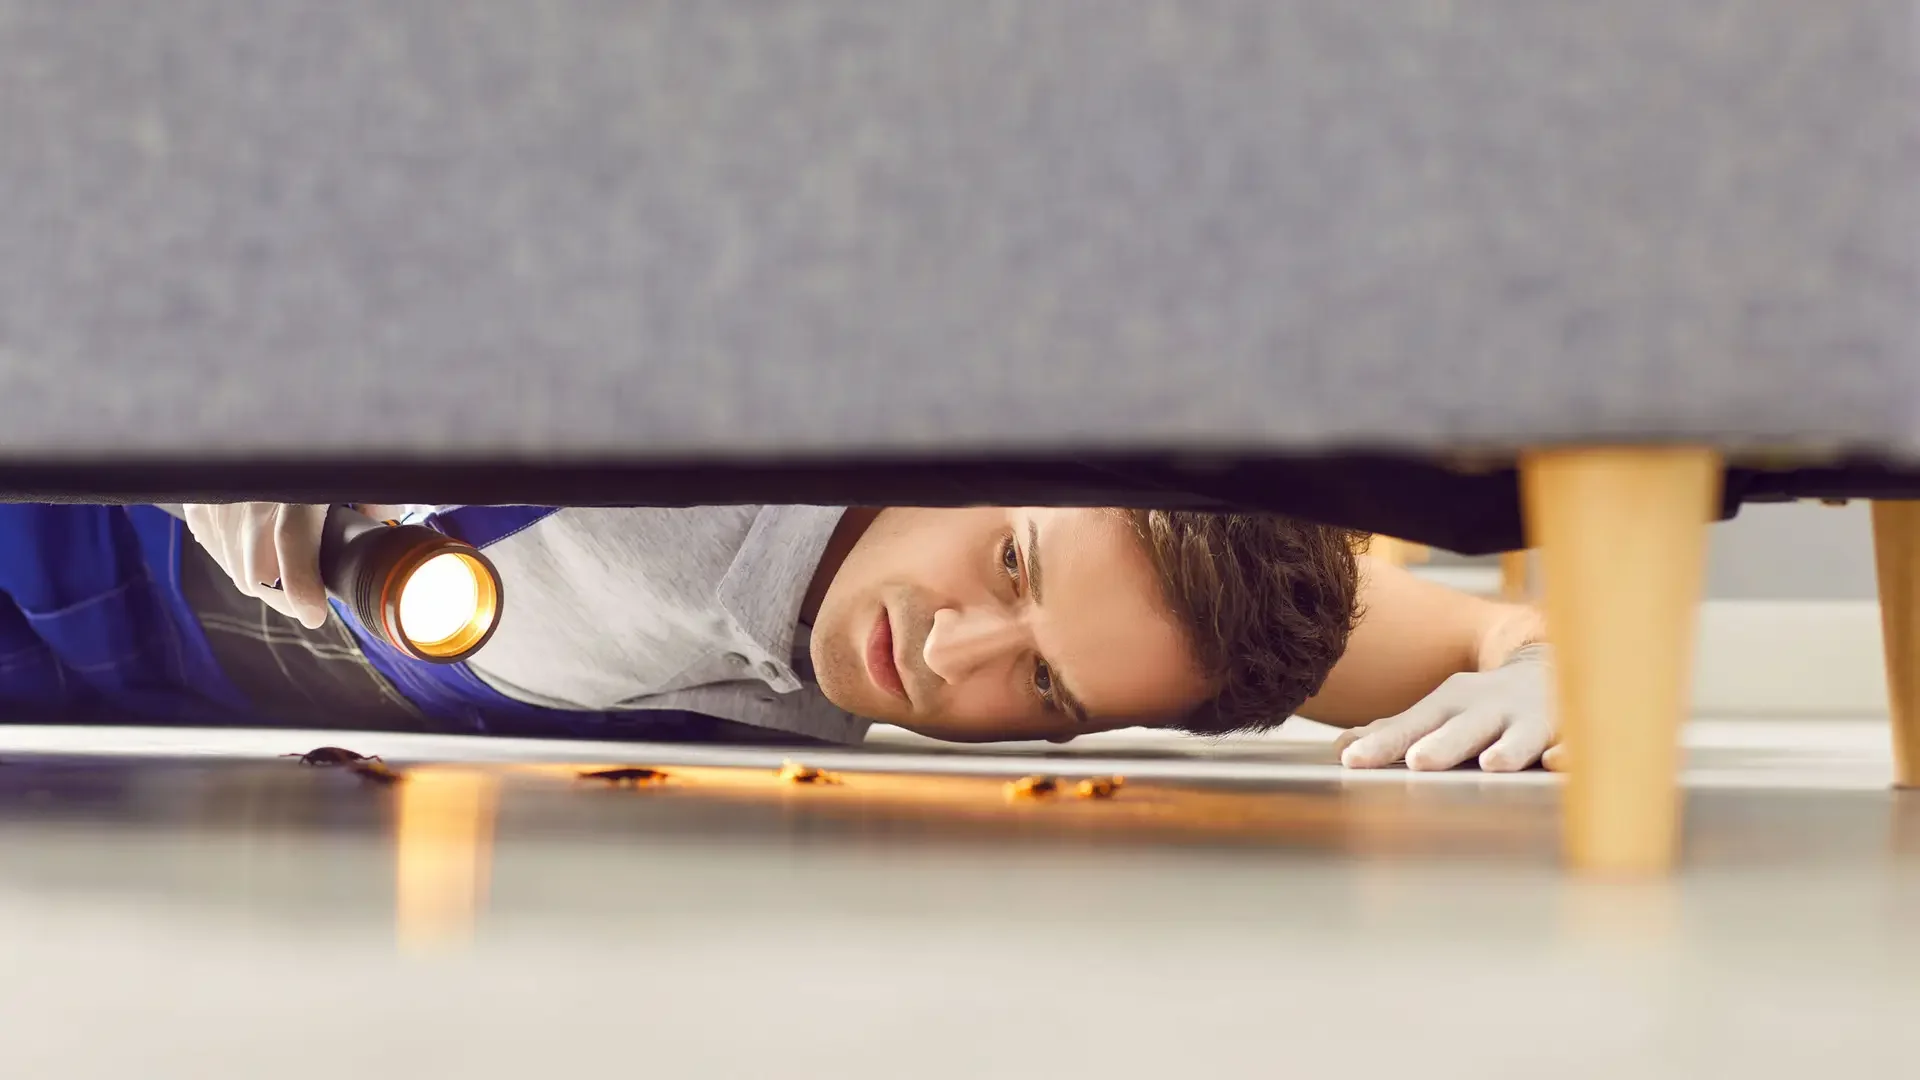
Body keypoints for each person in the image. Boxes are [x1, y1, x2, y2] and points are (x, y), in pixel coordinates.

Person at [0, 501, 1558, 771]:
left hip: (119, 697)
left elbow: (1501, 636)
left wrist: (1567, 670)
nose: (954, 659)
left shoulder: (1181, 622)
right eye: (1005, 560)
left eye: (1049, 693)